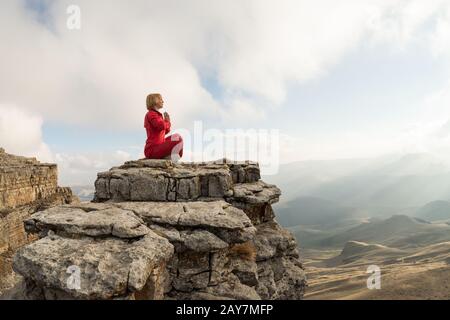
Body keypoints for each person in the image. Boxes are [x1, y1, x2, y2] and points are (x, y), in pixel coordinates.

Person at [144, 93, 183, 161]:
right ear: (154, 100)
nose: (162, 101)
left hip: (159, 146)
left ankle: (171, 158)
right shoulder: (151, 114)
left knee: (177, 137)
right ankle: (171, 158)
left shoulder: (157, 115)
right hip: (152, 149)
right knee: (178, 138)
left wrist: (166, 121)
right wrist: (167, 122)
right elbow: (161, 126)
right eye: (160, 99)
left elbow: (165, 131)